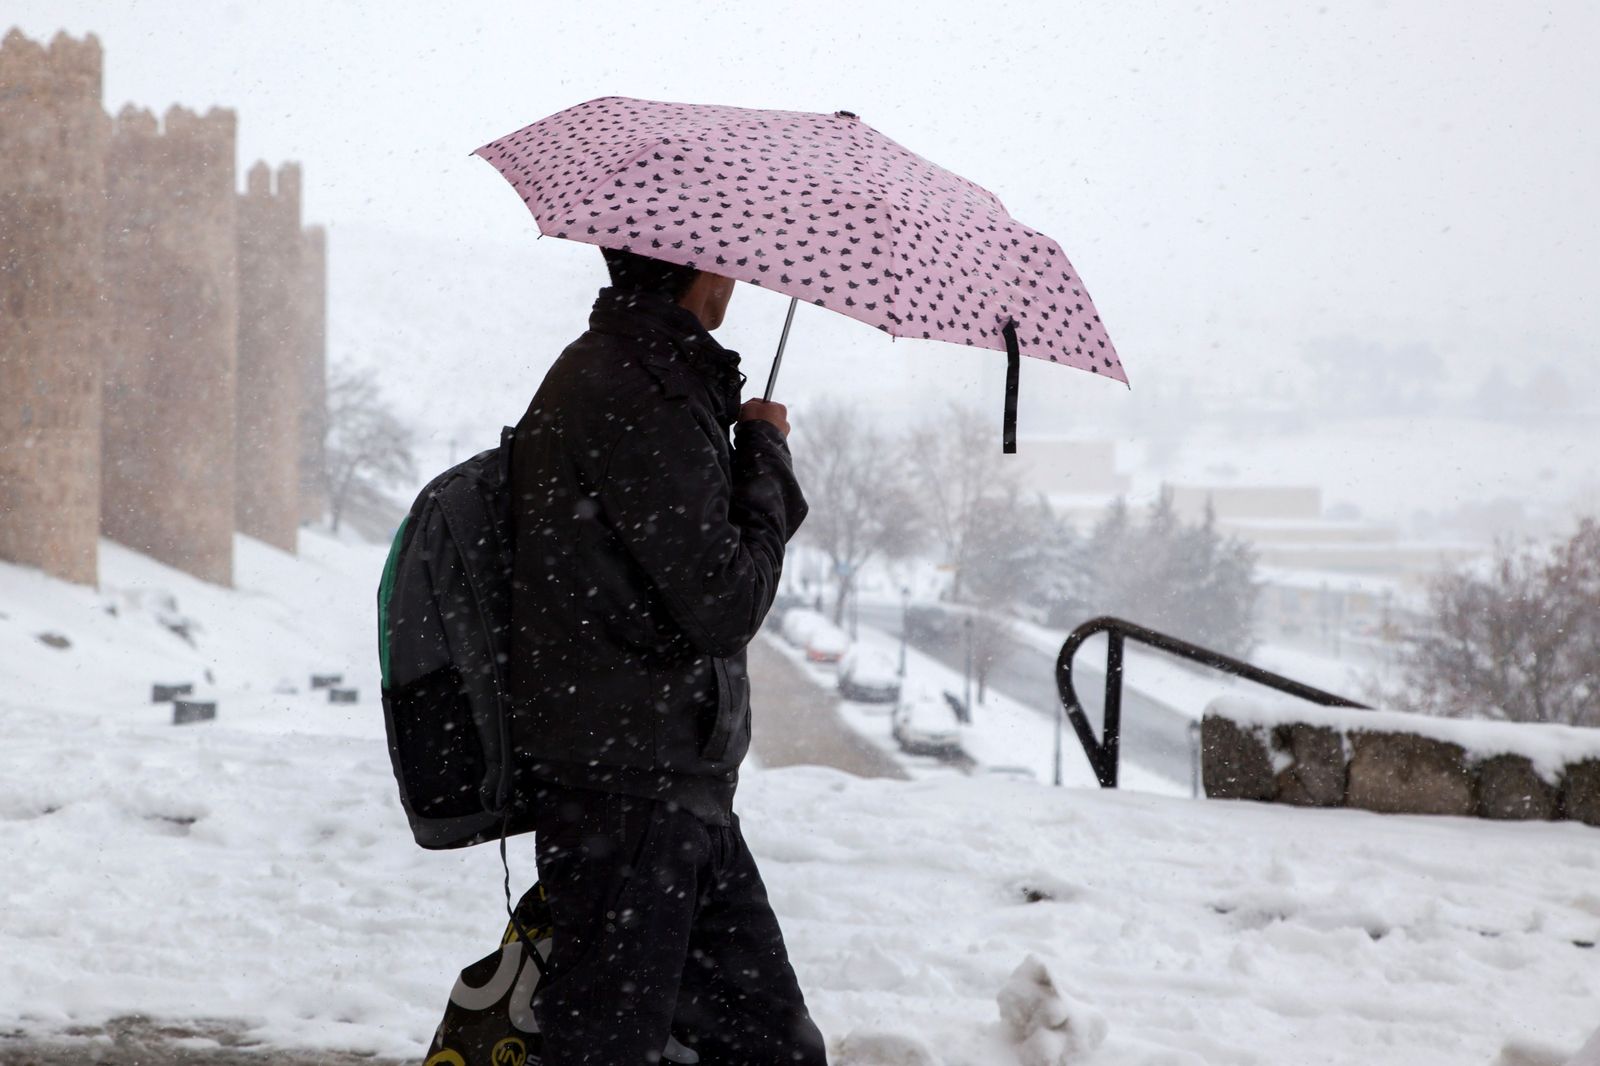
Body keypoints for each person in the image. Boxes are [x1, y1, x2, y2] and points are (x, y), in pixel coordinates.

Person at [505, 246, 826, 1065]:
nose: (740, 281)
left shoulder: (648, 379)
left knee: (771, 1047)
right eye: (731, 264)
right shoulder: (640, 392)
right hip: (630, 790)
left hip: (664, 784)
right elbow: (726, 601)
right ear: (701, 270)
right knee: (615, 1047)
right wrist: (765, 456)